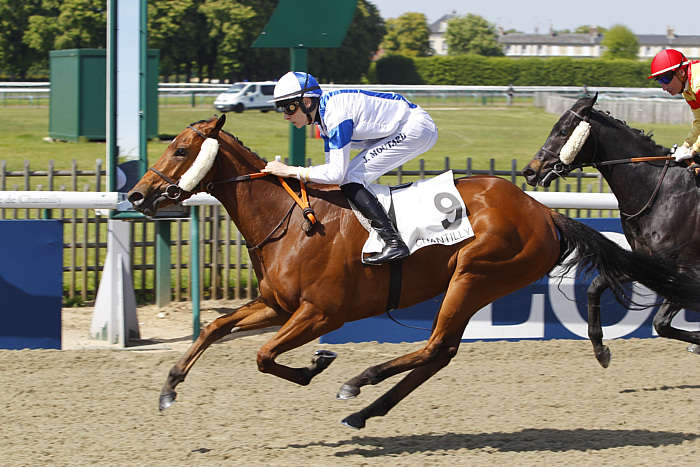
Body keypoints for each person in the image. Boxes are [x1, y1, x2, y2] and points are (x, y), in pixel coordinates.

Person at [262, 71, 438, 265]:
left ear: (307, 102)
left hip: (414, 128)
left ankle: (393, 242)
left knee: (351, 177)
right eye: (282, 109)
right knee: (349, 177)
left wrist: (290, 171)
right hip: (404, 126)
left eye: (289, 107)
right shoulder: (324, 120)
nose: (286, 116)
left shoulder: (335, 114)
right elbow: (332, 172)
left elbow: (336, 174)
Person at [648, 49, 700, 171]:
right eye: (659, 81)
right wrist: (686, 145)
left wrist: (693, 150)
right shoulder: (687, 91)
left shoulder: (697, 85)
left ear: (681, 72)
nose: (663, 87)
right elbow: (699, 121)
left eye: (665, 79)